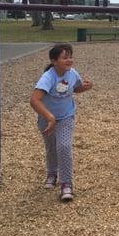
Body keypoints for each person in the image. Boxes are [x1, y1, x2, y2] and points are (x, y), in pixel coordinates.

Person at [30, 43, 93, 202]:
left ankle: (66, 183)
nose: (69, 60)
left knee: (63, 147)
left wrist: (85, 87)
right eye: (65, 57)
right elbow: (35, 100)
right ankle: (52, 173)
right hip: (47, 118)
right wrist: (49, 117)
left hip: (66, 116)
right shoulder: (48, 77)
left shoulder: (72, 73)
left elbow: (75, 88)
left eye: (70, 57)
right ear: (54, 61)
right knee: (51, 147)